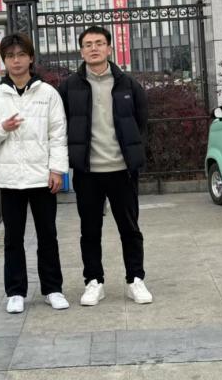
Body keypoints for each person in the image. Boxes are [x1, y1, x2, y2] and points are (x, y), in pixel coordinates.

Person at [0, 32, 70, 314]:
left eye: (21, 55)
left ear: (30, 58)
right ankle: (15, 292)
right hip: (10, 179)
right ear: (3, 61)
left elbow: (58, 135)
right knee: (13, 238)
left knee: (47, 235)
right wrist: (2, 128)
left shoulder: (48, 94)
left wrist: (57, 170)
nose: (16, 61)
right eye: (10, 56)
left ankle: (52, 289)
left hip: (42, 177)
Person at [58, 25, 153, 306]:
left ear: (110, 48)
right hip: (88, 172)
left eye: (99, 43)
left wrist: (133, 155)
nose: (94, 48)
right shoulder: (69, 87)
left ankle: (135, 280)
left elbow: (142, 122)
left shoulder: (128, 84)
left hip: (122, 170)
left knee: (130, 229)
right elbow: (60, 125)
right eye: (88, 44)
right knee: (89, 231)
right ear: (81, 51)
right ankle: (93, 281)